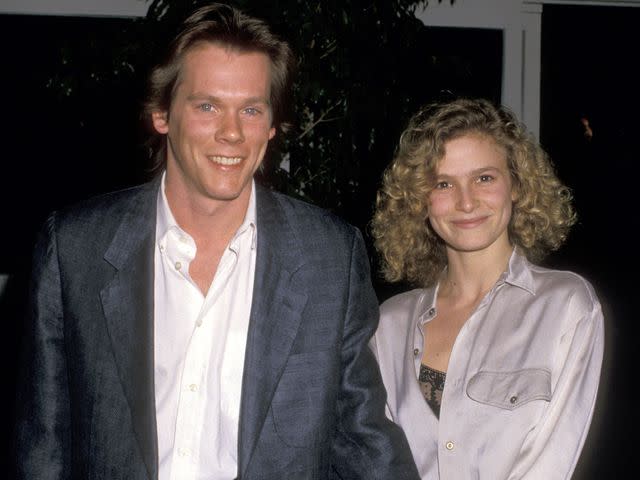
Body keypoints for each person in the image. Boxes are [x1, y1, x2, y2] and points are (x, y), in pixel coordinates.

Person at [14, 4, 420, 479]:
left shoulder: (328, 256)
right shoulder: (75, 248)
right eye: (207, 106)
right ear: (161, 114)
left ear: (271, 126)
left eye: (251, 109)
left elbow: (364, 440)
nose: (232, 133)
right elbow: (43, 448)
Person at [370, 98, 604, 479]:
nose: (466, 202)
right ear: (420, 199)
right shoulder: (387, 326)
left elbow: (550, 463)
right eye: (443, 183)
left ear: (516, 185)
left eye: (484, 178)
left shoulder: (565, 307)